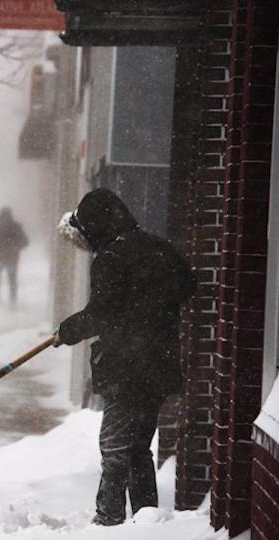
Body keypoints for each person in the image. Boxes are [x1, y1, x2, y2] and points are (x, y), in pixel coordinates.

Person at [54, 188, 196, 526]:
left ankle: (108, 522)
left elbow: (101, 313)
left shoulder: (112, 258)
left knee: (114, 449)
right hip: (157, 364)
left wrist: (67, 330)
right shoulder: (158, 249)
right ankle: (146, 520)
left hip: (126, 365)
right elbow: (187, 284)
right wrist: (149, 308)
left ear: (98, 226)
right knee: (137, 449)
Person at [0, 207, 28, 304]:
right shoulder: (16, 227)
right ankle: (12, 298)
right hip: (12, 257)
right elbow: (25, 242)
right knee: (12, 278)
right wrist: (16, 247)